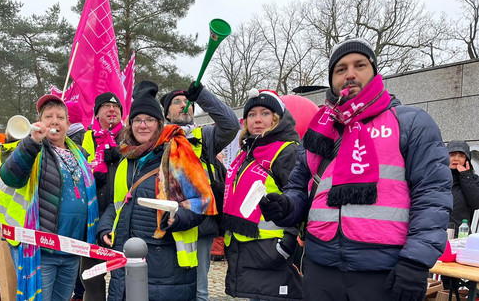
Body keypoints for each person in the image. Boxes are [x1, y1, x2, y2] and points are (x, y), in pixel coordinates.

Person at [260, 37, 453, 301]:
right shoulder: (319, 131)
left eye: (359, 65)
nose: (350, 74)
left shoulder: (411, 122)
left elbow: (433, 195)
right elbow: (299, 187)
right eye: (340, 69)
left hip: (385, 270)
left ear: (374, 72)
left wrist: (417, 260)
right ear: (332, 79)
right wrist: (287, 207)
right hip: (320, 268)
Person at [96, 80, 217, 301]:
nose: (143, 125)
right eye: (137, 120)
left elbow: (201, 201)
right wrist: (104, 229)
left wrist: (177, 218)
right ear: (130, 124)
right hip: (127, 260)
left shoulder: (177, 154)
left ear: (160, 123)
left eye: (150, 120)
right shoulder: (126, 159)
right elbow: (119, 204)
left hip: (165, 264)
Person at [0, 94, 98, 301]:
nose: (54, 121)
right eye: (48, 116)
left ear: (68, 124)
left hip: (71, 249)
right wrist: (32, 142)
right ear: (39, 122)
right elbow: (10, 176)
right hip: (41, 249)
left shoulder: (80, 155)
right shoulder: (30, 148)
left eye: (60, 117)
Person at [220, 89, 302, 300]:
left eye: (265, 113)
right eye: (252, 114)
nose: (257, 119)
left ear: (277, 118)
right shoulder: (245, 153)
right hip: (247, 252)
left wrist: (286, 246)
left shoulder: (287, 151)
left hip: (273, 253)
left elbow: (300, 200)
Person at [160, 82, 239, 301]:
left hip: (199, 223)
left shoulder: (205, 136)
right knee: (168, 285)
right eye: (177, 102)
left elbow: (231, 125)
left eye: (188, 102)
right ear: (166, 112)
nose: (184, 105)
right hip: (165, 222)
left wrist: (203, 96)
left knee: (199, 289)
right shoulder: (159, 138)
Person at [73, 92, 123, 301]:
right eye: (106, 107)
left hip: (122, 219)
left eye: (116, 107)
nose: (112, 110)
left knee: (124, 279)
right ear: (96, 113)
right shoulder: (85, 138)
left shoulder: (132, 135)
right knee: (92, 279)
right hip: (92, 219)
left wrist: (118, 151)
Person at [446, 140, 479, 233]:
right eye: (452, 155)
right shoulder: (437, 177)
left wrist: (465, 176)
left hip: (461, 235)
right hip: (436, 233)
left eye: (461, 155)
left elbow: (476, 203)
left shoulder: (473, 179)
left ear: (466, 160)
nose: (456, 159)